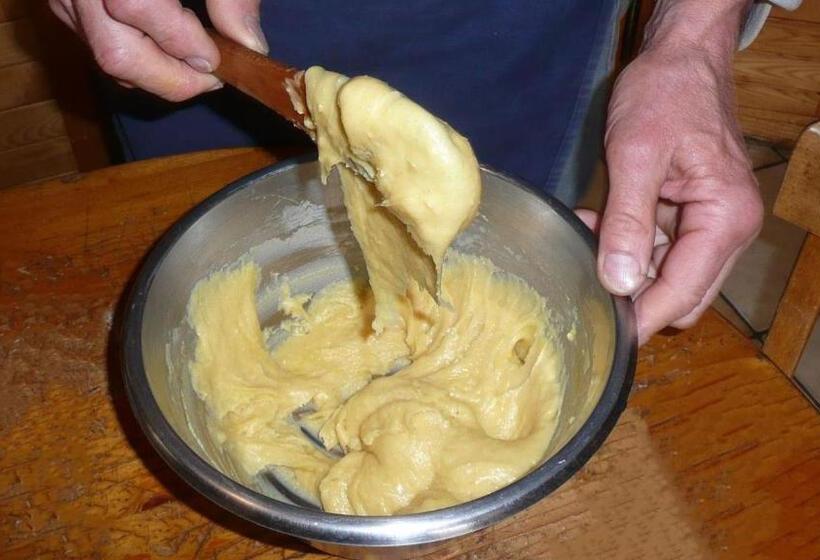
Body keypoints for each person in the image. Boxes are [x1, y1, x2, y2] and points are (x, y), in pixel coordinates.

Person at [49, 0, 797, 345]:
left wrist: (693, 36)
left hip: (511, 36)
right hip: (199, 40)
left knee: (503, 255)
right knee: (180, 301)